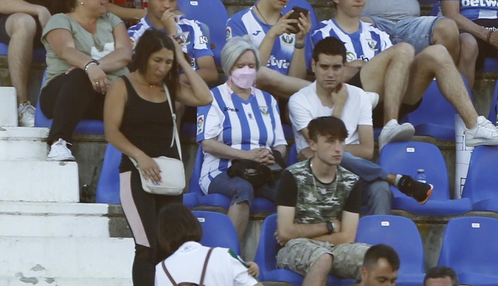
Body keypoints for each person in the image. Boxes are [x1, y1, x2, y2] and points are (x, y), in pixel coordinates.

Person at [307, 0, 498, 151]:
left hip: (387, 101)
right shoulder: (323, 32)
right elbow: (326, 78)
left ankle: (474, 125)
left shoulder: (377, 33)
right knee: (404, 49)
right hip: (350, 105)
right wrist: (360, 67)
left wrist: (363, 65)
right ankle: (391, 125)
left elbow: (395, 70)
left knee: (437, 52)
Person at [106, 27, 213, 286]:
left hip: (168, 176)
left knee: (169, 246)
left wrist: (181, 59)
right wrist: (140, 157)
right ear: (143, 56)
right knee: (146, 247)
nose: (163, 67)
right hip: (135, 173)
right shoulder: (122, 85)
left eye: (168, 62)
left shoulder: (168, 87)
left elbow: (205, 96)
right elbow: (111, 132)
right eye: (157, 60)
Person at [287, 37, 430, 215]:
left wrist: (330, 150)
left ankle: (379, 238)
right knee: (333, 152)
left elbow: (367, 150)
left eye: (336, 67)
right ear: (313, 65)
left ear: (345, 66)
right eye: (324, 67)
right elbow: (323, 148)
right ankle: (393, 178)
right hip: (315, 177)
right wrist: (339, 106)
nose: (330, 74)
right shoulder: (299, 101)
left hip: (352, 175)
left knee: (380, 188)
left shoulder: (360, 96)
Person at [199, 37, 288, 240]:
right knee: (243, 188)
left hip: (262, 170)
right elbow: (208, 142)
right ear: (229, 66)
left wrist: (271, 155)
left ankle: (286, 248)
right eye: (240, 66)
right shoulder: (212, 97)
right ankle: (229, 253)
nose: (246, 70)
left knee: (291, 189)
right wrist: (246, 155)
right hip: (221, 170)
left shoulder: (268, 100)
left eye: (251, 65)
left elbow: (281, 143)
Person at [37, 0, 130, 162]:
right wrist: (88, 68)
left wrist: (94, 66)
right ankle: (59, 142)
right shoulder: (59, 20)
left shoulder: (113, 21)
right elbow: (66, 50)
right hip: (63, 96)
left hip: (107, 95)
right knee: (79, 77)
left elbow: (124, 54)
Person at [275, 115, 372, 286]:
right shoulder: (292, 176)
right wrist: (330, 226)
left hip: (335, 247)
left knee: (374, 259)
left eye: (341, 141)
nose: (338, 148)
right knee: (323, 258)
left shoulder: (351, 181)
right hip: (294, 248)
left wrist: (305, 234)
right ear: (313, 144)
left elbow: (347, 237)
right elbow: (285, 232)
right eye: (330, 141)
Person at [228, 0, 311, 96]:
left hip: (286, 102)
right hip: (251, 97)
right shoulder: (239, 22)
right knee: (263, 74)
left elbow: (297, 81)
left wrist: (300, 42)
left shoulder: (292, 25)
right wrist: (272, 35)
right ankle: (320, 90)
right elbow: (247, 75)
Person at [127, 0, 220, 87]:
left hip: (193, 94)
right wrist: (172, 34)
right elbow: (145, 77)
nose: (166, 5)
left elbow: (210, 73)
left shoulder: (192, 26)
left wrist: (175, 81)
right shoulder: (134, 35)